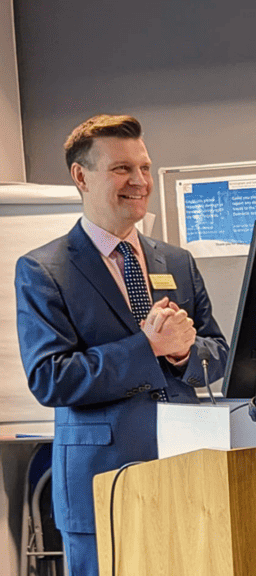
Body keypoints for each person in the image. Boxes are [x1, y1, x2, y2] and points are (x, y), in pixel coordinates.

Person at [14, 115, 228, 576]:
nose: (140, 181)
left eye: (145, 167)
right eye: (121, 169)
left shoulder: (176, 261)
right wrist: (146, 347)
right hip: (102, 484)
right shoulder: (43, 270)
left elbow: (219, 352)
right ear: (81, 177)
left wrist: (184, 353)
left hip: (187, 474)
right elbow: (51, 379)